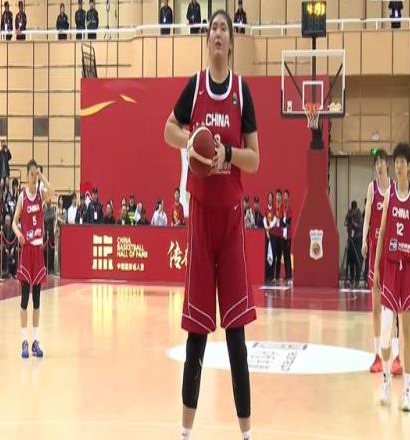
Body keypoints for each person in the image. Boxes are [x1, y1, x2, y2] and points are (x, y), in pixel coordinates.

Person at [164, 9, 259, 440]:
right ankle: (185, 432)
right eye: (213, 28)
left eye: (224, 28)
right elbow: (168, 130)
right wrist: (193, 141)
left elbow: (255, 160)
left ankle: (246, 434)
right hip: (201, 218)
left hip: (231, 219)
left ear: (231, 42)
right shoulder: (195, 87)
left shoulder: (242, 92)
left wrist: (228, 154)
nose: (218, 33)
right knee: (197, 335)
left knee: (237, 337)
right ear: (207, 40)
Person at [373, 143, 410, 412]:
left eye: (402, 162)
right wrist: (377, 267)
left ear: (409, 166)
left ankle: (408, 391)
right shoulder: (389, 195)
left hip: (409, 268)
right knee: (386, 332)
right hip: (389, 268)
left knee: (409, 333)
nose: (398, 165)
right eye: (396, 161)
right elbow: (380, 234)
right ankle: (387, 382)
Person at [362, 150, 402, 375]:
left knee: (393, 307)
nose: (378, 166)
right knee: (376, 307)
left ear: (387, 164)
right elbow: (367, 216)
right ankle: (377, 355)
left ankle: (396, 356)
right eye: (376, 163)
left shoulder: (395, 189)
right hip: (375, 254)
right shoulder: (372, 188)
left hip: (391, 254)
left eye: (381, 162)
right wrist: (363, 240)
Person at [13, 160, 54, 358]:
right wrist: (18, 233)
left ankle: (36, 340)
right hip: (27, 249)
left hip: (38, 250)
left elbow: (52, 192)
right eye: (32, 174)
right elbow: (14, 222)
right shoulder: (22, 196)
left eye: (35, 174)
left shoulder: (39, 194)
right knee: (24, 299)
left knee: (37, 300)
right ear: (26, 175)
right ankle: (24, 341)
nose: (34, 178)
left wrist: (42, 176)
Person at [345, 200, 363, 288]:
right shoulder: (350, 213)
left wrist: (353, 223)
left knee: (357, 260)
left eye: (354, 210)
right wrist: (349, 222)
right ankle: (351, 279)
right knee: (350, 260)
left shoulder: (359, 214)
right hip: (351, 239)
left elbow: (360, 227)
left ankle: (357, 280)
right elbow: (345, 223)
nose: (353, 212)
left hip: (357, 239)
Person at [282, 190, 292, 282]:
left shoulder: (289, 208)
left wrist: (284, 220)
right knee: (284, 255)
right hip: (283, 236)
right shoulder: (283, 208)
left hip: (288, 235)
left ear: (288, 197)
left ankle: (289, 274)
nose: (285, 197)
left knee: (288, 255)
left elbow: (288, 221)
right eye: (284, 196)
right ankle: (286, 273)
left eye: (286, 196)